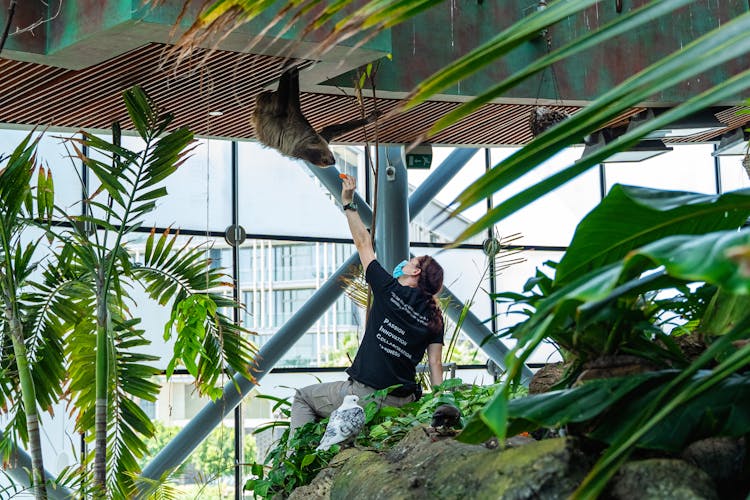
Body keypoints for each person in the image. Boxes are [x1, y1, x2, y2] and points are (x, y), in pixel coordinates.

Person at [289, 173, 445, 437]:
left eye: (412, 260)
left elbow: (363, 242)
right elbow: (435, 364)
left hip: (364, 397)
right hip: (403, 404)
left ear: (416, 272)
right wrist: (442, 403)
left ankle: (295, 457)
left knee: (303, 397)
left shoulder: (388, 289)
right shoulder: (435, 317)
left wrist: (348, 203)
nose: (405, 261)